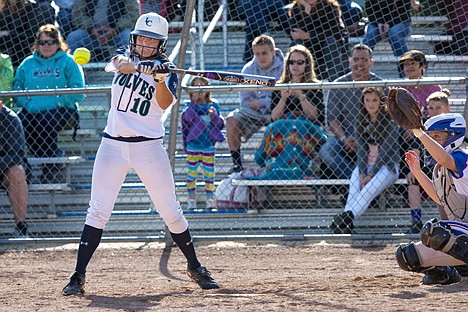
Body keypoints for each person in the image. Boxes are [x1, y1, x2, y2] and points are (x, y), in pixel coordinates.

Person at [62, 12, 220, 296]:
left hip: (148, 147)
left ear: (160, 44)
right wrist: (139, 66)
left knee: (170, 210)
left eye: (151, 41)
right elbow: (120, 65)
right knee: (98, 210)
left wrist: (159, 78)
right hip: (112, 146)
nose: (144, 44)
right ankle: (78, 275)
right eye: (141, 38)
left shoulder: (168, 70)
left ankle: (195, 266)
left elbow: (164, 103)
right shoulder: (126, 52)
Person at [396, 112, 468, 285]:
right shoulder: (440, 169)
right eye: (431, 137)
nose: (432, 142)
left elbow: (444, 157)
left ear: (454, 136)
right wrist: (417, 172)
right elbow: (439, 198)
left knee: (436, 231)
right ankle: (448, 274)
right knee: (407, 256)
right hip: (464, 233)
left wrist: (419, 133)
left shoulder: (462, 156)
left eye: (437, 136)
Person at [13, 24, 85, 183]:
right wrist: (27, 104)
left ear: (58, 43)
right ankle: (41, 162)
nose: (46, 46)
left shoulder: (69, 62)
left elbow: (79, 92)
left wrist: (51, 102)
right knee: (18, 124)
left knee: (44, 122)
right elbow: (16, 88)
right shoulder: (27, 63)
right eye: (42, 42)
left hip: (63, 110)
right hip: (32, 110)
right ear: (37, 44)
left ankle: (51, 164)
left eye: (50, 42)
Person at [330, 87, 400, 234]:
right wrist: (362, 172)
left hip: (386, 166)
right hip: (366, 165)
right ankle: (345, 225)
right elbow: (362, 150)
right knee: (353, 191)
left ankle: (343, 220)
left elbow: (385, 152)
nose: (371, 103)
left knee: (366, 191)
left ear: (381, 102)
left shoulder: (390, 121)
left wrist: (371, 174)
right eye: (367, 100)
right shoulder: (361, 120)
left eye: (374, 100)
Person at [254, 44, 327, 180]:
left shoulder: (314, 85)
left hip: (307, 127)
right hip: (283, 126)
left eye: (300, 62)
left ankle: (302, 168)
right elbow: (274, 118)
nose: (295, 66)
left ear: (307, 64)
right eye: (291, 62)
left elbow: (315, 117)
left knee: (297, 127)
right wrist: (283, 98)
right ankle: (278, 167)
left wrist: (301, 96)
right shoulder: (280, 85)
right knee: (280, 126)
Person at [319, 44, 383, 179]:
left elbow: (385, 117)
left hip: (373, 134)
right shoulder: (338, 84)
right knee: (326, 151)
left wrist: (365, 137)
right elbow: (332, 118)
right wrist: (344, 139)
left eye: (364, 60)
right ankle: (355, 180)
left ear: (371, 62)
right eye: (356, 59)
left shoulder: (381, 85)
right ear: (350, 61)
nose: (359, 63)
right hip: (345, 134)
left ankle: (362, 182)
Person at [398, 50, 442, 233]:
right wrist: (409, 129)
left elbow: (440, 118)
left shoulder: (434, 88)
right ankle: (416, 220)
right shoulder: (400, 90)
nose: (409, 67)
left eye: (413, 64)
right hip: (407, 141)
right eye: (406, 64)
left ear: (422, 67)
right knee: (412, 175)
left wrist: (420, 129)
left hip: (431, 138)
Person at [226, 34, 284, 173]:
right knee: (231, 120)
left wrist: (260, 101)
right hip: (255, 114)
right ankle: (236, 164)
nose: (261, 57)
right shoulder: (248, 70)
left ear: (273, 52)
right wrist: (270, 99)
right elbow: (245, 102)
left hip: (280, 110)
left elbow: (285, 96)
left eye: (264, 53)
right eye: (257, 54)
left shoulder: (284, 67)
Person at [181, 77, 225, 210]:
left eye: (202, 86)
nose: (199, 90)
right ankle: (191, 199)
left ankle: (210, 199)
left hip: (207, 145)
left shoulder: (213, 105)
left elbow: (219, 124)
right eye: (195, 87)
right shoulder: (189, 105)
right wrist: (193, 103)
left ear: (207, 89)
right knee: (191, 174)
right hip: (193, 145)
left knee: (209, 174)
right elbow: (187, 119)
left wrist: (214, 115)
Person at [288, 0, 349, 82]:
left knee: (331, 41)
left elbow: (335, 32)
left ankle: (333, 82)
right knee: (296, 44)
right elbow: (296, 33)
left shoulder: (330, 6)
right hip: (309, 48)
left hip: (327, 48)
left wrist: (308, 35)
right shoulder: (296, 8)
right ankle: (297, 81)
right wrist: (307, 13)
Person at [66, 0, 139, 61]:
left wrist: (116, 29)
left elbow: (132, 15)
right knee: (73, 37)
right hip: (89, 33)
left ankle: (128, 70)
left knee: (128, 37)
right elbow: (77, 14)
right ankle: (80, 71)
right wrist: (91, 28)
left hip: (117, 33)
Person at [0, 100, 30, 238]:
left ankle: (21, 228)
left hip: (4, 171)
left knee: (17, 172)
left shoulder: (10, 119)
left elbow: (16, 155)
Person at [0, 0, 55, 66]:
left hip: (24, 46)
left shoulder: (31, 8)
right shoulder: (2, 9)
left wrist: (9, 33)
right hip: (5, 44)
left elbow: (31, 35)